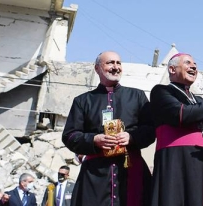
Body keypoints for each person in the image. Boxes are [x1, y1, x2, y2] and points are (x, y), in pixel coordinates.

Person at [62, 51, 155, 206]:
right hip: (95, 175)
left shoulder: (137, 96)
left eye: (118, 63)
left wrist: (132, 137)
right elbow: (70, 135)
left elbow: (151, 130)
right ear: (97, 68)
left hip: (131, 169)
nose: (116, 67)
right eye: (110, 63)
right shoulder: (82, 101)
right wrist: (93, 140)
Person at [149, 53, 203, 206]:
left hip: (202, 162)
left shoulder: (199, 100)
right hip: (176, 163)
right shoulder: (161, 92)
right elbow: (180, 114)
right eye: (188, 63)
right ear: (172, 69)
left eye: (195, 64)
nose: (194, 67)